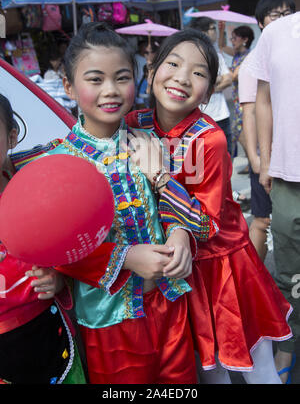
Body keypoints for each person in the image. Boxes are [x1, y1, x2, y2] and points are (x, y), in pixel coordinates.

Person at [126, 29, 293, 384]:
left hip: (223, 267)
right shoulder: (134, 125)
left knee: (255, 364)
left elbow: (206, 225)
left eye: (199, 73)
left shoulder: (210, 139)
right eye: (173, 63)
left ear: (208, 93)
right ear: (152, 71)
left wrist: (159, 175)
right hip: (173, 268)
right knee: (208, 368)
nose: (182, 77)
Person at [42, 22, 197, 384]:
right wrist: (127, 257)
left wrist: (179, 234)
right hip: (109, 319)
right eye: (95, 80)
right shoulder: (58, 164)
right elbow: (58, 247)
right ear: (68, 86)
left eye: (122, 77)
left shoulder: (151, 141)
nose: (110, 90)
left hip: (169, 301)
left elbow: (172, 202)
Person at [0, 94, 86, 384]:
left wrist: (61, 279)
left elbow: (62, 246)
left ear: (12, 137)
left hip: (53, 334)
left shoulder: (30, 184)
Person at [245, 0, 300, 384]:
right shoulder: (278, 32)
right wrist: (264, 159)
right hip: (288, 174)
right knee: (288, 268)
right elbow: (261, 99)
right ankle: (289, 342)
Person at [238, 0, 296, 263]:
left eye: (286, 13)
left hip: (281, 159)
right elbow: (252, 110)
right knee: (263, 221)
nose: (280, 19)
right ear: (260, 22)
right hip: (273, 161)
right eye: (275, 14)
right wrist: (258, 160)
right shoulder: (259, 55)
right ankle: (253, 279)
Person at [189, 16, 232, 155]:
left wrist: (208, 89)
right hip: (200, 117)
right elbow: (192, 83)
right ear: (203, 32)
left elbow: (228, 79)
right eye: (213, 29)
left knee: (226, 155)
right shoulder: (191, 57)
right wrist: (215, 80)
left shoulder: (216, 55)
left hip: (222, 115)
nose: (216, 32)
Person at [219, 24, 255, 160]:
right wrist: (221, 28)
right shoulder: (236, 54)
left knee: (239, 132)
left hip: (246, 100)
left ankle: (253, 158)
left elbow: (233, 76)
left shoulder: (248, 57)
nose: (232, 41)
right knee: (242, 131)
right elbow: (221, 45)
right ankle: (251, 159)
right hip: (237, 99)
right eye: (231, 38)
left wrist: (221, 65)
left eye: (235, 38)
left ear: (245, 39)